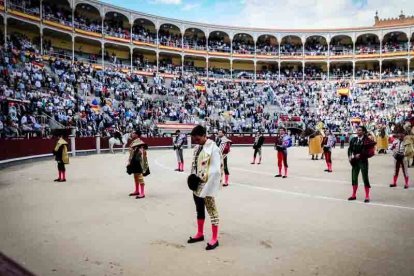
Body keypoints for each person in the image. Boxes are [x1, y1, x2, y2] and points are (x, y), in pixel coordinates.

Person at [188, 125, 221, 250]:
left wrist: (208, 185)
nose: (196, 142)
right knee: (199, 209)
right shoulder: (198, 148)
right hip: (197, 185)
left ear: (203, 135)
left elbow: (216, 171)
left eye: (197, 139)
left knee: (212, 211)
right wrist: (193, 177)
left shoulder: (213, 148)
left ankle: (214, 239)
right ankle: (200, 233)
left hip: (207, 185)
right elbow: (195, 165)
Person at [347, 126, 376, 203]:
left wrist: (360, 155)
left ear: (363, 132)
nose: (358, 131)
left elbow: (371, 152)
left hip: (363, 161)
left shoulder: (367, 140)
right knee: (354, 177)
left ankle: (367, 196)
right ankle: (353, 194)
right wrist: (350, 156)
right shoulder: (354, 139)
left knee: (365, 178)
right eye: (357, 130)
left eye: (360, 130)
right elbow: (350, 149)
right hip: (355, 161)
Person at [127, 129, 150, 199]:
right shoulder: (134, 142)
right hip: (134, 160)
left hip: (138, 161)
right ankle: (137, 190)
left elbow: (142, 152)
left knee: (140, 176)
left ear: (137, 135)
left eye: (134, 133)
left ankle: (142, 193)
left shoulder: (140, 142)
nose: (132, 134)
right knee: (135, 176)